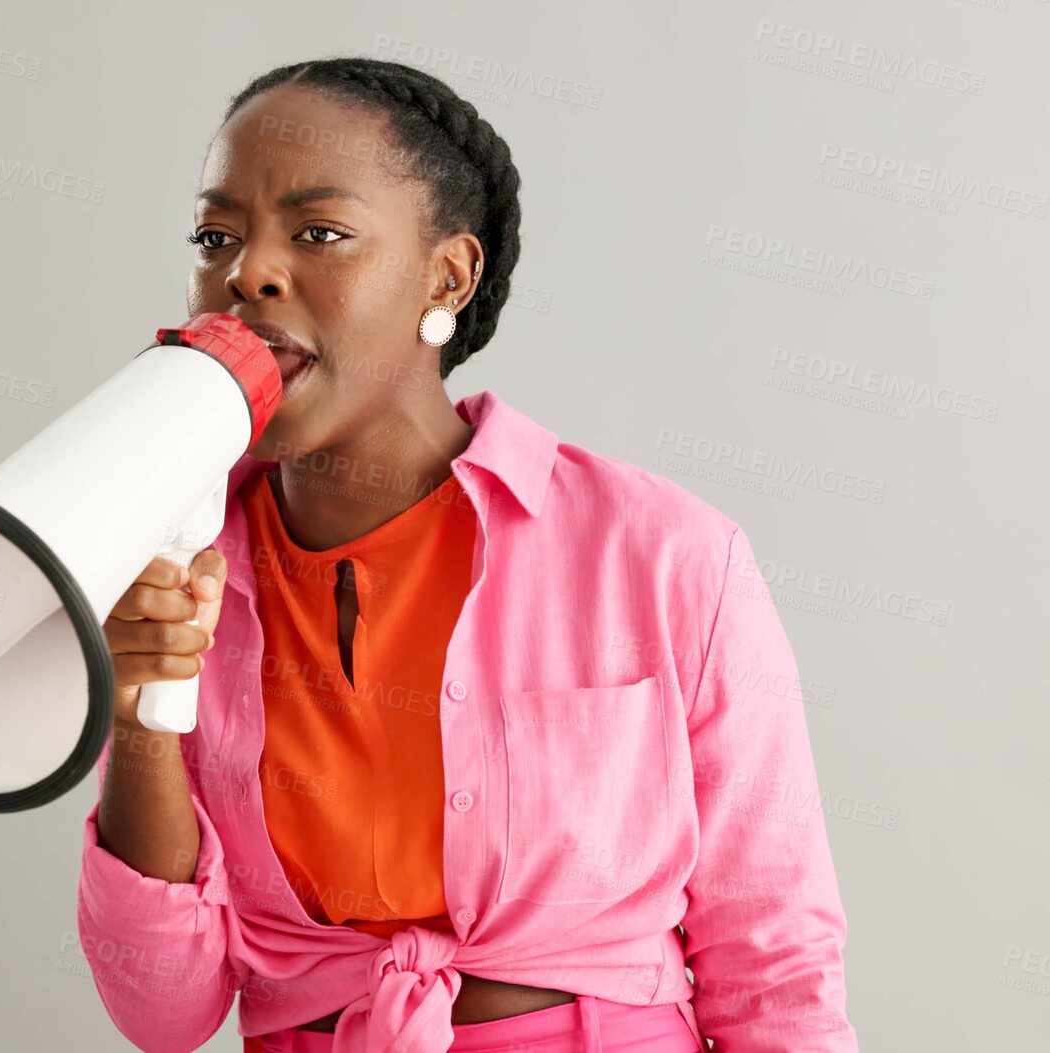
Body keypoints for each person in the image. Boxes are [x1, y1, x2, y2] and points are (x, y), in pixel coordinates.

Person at [78, 56, 857, 1053]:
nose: (248, 273)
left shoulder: (661, 557)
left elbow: (772, 962)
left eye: (318, 233)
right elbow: (163, 1013)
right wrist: (143, 712)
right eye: (215, 236)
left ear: (446, 276)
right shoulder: (166, 571)